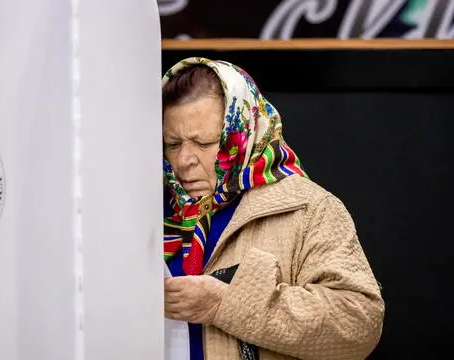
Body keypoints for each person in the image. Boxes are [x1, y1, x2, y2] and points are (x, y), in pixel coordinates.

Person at [162, 57, 384, 360]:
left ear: (243, 134)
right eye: (173, 144)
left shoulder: (307, 208)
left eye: (204, 143)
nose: (184, 160)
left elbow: (357, 324)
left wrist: (225, 303)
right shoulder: (145, 211)